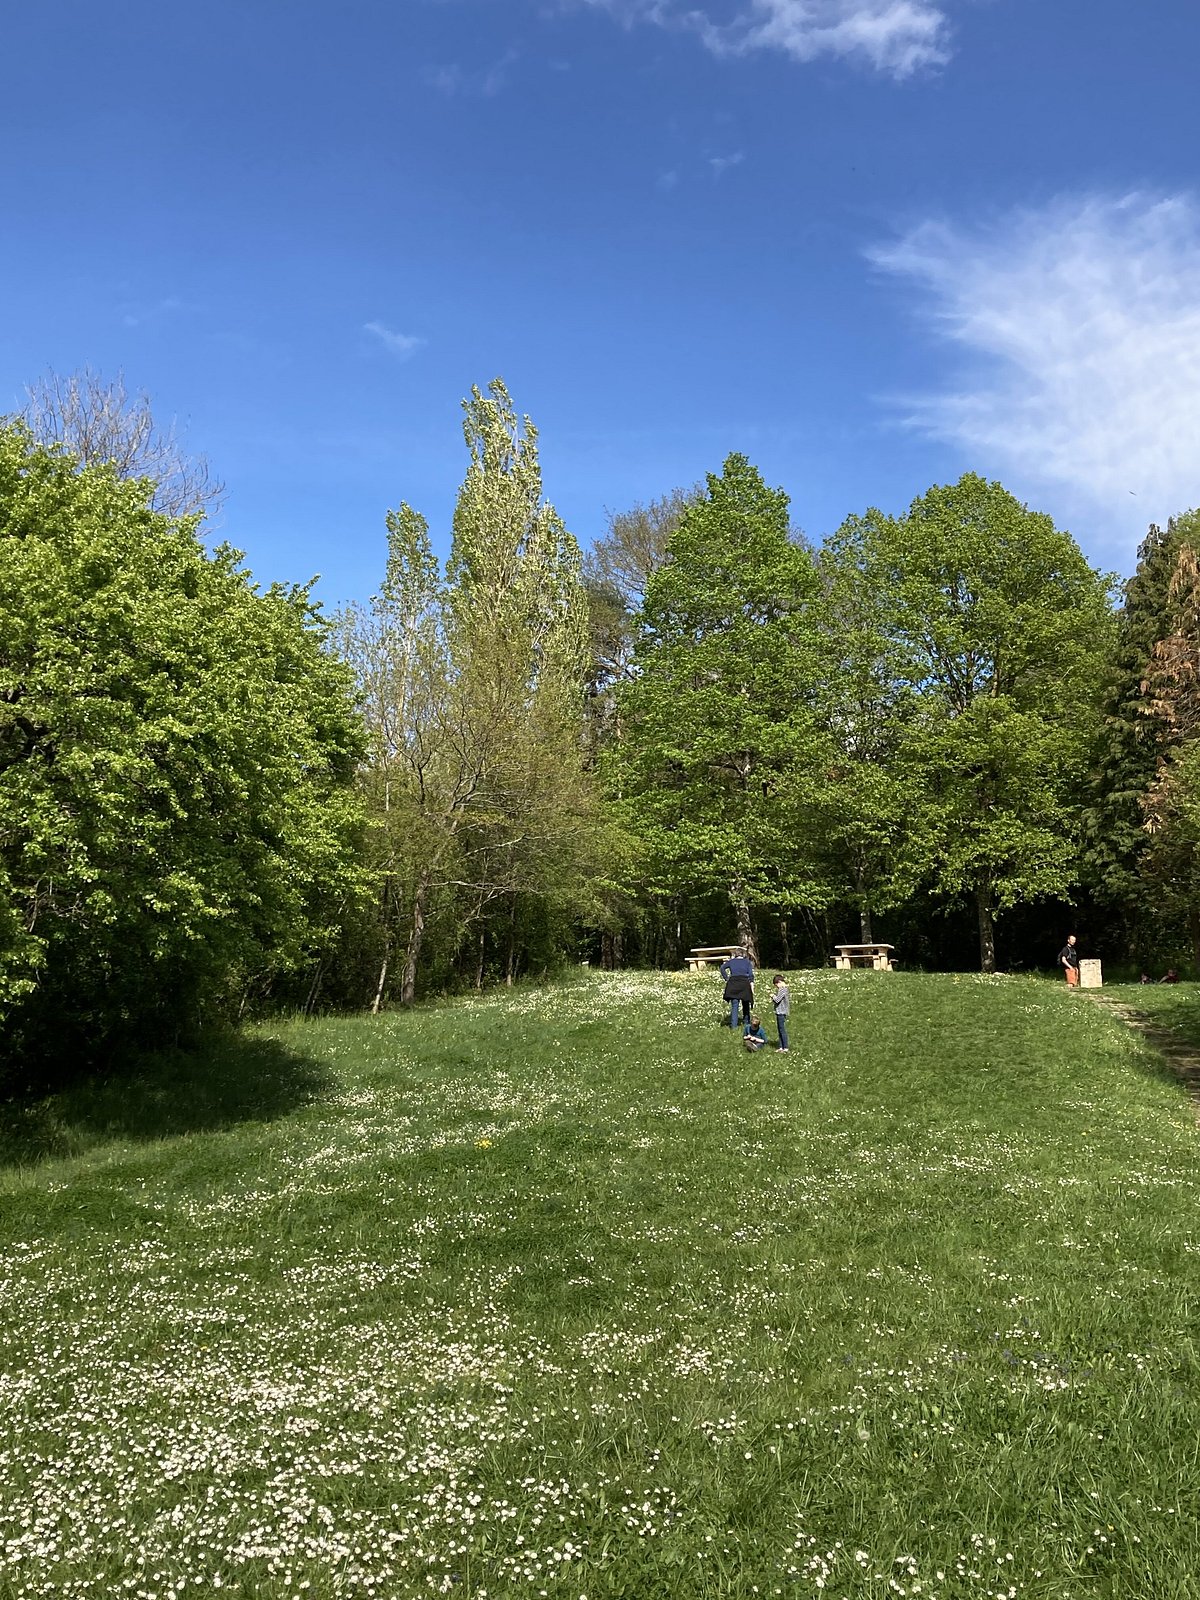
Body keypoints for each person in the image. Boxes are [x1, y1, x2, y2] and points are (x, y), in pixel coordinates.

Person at [720, 947, 755, 1030]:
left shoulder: (731, 962)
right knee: (746, 1004)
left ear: (735, 954)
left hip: (733, 983)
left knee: (734, 1005)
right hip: (744, 983)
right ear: (743, 954)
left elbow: (722, 968)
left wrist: (726, 978)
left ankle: (734, 1026)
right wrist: (752, 985)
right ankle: (746, 1024)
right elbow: (750, 975)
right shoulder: (747, 962)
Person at [771, 974, 790, 1052]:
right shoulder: (783, 989)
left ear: (779, 982)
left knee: (782, 1030)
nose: (776, 987)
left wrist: (773, 996)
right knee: (779, 1029)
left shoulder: (783, 989)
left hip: (781, 1012)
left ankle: (785, 1047)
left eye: (776, 985)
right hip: (780, 1012)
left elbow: (777, 1000)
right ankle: (781, 1047)